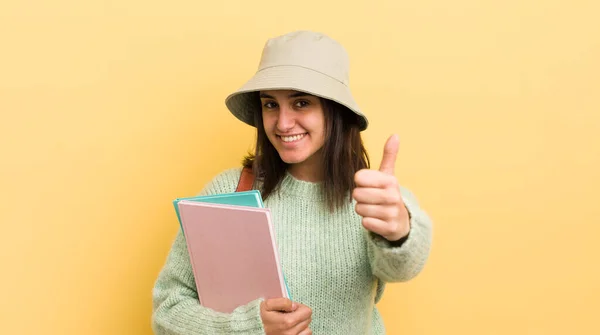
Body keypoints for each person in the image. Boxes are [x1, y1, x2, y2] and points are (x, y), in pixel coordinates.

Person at [152, 30, 433, 335]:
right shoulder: (229, 192)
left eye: (301, 103)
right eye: (270, 104)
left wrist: (400, 233)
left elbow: (402, 267)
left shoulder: (374, 199)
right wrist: (247, 328)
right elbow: (168, 311)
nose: (283, 123)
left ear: (334, 111)